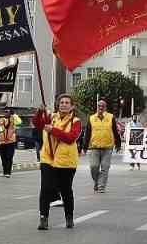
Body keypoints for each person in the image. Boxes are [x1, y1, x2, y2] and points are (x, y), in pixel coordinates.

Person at [34, 94, 83, 230]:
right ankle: (43, 218)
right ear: (58, 104)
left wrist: (53, 130)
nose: (64, 104)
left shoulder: (76, 121)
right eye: (61, 102)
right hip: (48, 158)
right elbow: (38, 124)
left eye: (67, 102)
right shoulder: (51, 117)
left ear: (72, 106)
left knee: (66, 190)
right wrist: (40, 112)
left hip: (66, 161)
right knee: (45, 189)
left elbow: (70, 138)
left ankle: (69, 217)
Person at [82, 98, 120, 193]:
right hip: (94, 147)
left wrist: (118, 144)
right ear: (97, 107)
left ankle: (101, 186)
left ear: (106, 107)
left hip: (107, 147)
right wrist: (84, 147)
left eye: (103, 106)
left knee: (105, 167)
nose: (101, 107)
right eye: (99, 106)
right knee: (94, 167)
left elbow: (115, 132)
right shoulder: (91, 118)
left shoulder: (111, 117)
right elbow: (88, 133)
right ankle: (97, 181)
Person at [0, 111, 19, 177]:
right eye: (6, 112)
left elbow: (19, 122)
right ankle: (5, 171)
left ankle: (8, 172)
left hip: (11, 142)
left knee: (9, 157)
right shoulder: (1, 120)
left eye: (8, 112)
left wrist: (14, 115)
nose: (6, 113)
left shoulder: (13, 120)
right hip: (2, 142)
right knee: (3, 158)